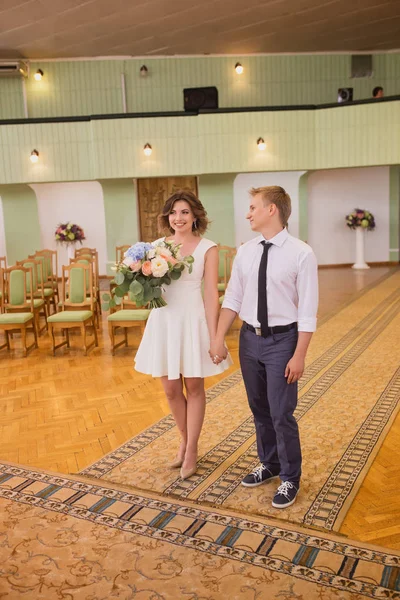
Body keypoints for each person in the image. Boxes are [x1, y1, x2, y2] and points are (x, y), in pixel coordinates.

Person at [211, 186, 318, 509]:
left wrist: (299, 355)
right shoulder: (246, 251)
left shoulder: (302, 253)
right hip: (249, 339)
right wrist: (218, 337)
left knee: (281, 412)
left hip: (283, 341)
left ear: (272, 210)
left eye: (253, 207)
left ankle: (290, 477)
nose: (248, 213)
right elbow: (232, 298)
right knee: (259, 408)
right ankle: (269, 463)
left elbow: (308, 311)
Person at [135, 190, 232, 480]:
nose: (179, 218)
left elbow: (212, 293)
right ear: (168, 216)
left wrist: (216, 335)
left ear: (195, 216)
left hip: (193, 319)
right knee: (170, 389)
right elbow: (149, 284)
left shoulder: (208, 248)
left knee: (194, 386)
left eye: (185, 212)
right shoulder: (155, 246)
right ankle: (184, 439)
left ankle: (191, 450)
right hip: (164, 319)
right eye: (174, 212)